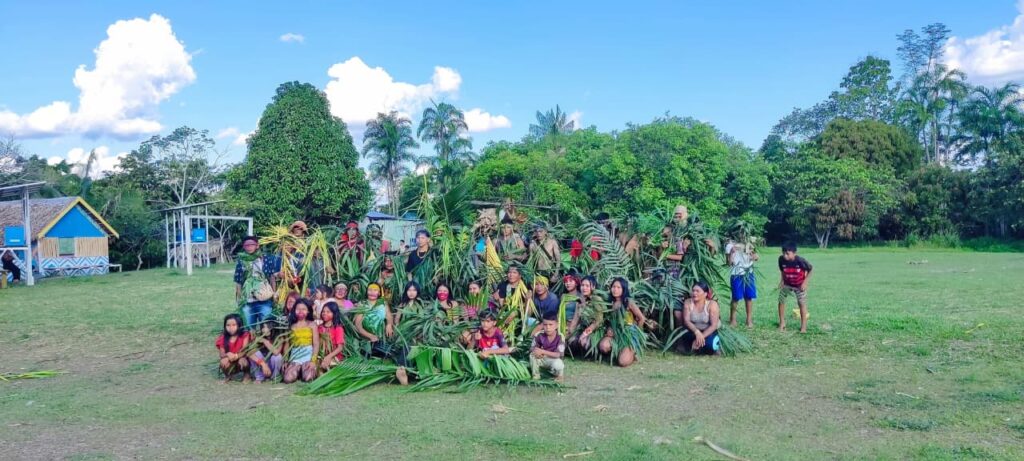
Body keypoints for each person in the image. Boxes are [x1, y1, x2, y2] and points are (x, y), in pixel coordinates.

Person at [353, 283, 409, 385]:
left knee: (405, 347)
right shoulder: (363, 304)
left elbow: (389, 316)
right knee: (392, 351)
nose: (372, 292)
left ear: (379, 292)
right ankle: (401, 370)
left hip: (383, 339)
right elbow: (358, 326)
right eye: (370, 290)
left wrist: (389, 324)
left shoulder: (383, 303)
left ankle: (402, 370)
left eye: (375, 290)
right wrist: (370, 336)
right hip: (368, 342)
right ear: (367, 291)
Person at [598, 278, 648, 367]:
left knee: (623, 362)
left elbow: (641, 319)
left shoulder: (628, 302)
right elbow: (609, 320)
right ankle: (618, 350)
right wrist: (609, 329)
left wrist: (636, 337)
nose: (615, 289)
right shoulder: (610, 302)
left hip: (628, 334)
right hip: (615, 333)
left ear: (623, 289)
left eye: (618, 287)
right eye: (613, 287)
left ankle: (632, 351)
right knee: (603, 346)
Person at [234, 236, 277, 330]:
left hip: (265, 299)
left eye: (251, 245)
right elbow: (238, 281)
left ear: (257, 246)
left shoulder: (266, 259)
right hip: (248, 301)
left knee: (267, 329)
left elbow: (272, 277)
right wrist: (239, 299)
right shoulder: (241, 261)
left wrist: (274, 293)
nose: (249, 247)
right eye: (246, 245)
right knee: (248, 329)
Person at [676, 281, 721, 355]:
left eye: (697, 291)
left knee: (710, 347)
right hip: (693, 330)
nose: (694, 293)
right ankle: (694, 346)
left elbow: (714, 325)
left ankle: (702, 346)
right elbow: (686, 321)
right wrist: (697, 332)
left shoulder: (712, 305)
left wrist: (701, 336)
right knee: (686, 344)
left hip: (708, 331)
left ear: (705, 294)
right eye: (693, 290)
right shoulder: (688, 302)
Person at [778, 243, 813, 333]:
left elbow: (810, 269)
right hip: (787, 284)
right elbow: (782, 270)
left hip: (799, 285)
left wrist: (805, 283)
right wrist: (782, 281)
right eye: (783, 253)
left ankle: (803, 327)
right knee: (781, 300)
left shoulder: (800, 261)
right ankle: (782, 322)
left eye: (787, 253)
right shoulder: (781, 260)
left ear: (794, 253)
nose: (785, 255)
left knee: (801, 303)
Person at [283, 299, 319, 383]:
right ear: (294, 310)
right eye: (298, 309)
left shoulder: (312, 325)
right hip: (295, 355)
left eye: (303, 309)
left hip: (308, 355)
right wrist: (285, 360)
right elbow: (287, 344)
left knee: (308, 378)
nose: (300, 311)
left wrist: (313, 361)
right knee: (287, 379)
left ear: (308, 311)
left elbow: (316, 344)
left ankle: (302, 370)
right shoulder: (291, 326)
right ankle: (298, 369)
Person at [568, 275, 603, 354]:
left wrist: (585, 333)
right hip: (583, 327)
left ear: (593, 287)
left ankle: (592, 353)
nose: (584, 288)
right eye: (582, 285)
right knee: (571, 341)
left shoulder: (597, 300)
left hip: (595, 329)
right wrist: (570, 332)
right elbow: (575, 319)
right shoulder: (580, 300)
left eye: (587, 286)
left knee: (584, 342)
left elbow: (598, 320)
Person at [728, 242, 758, 328]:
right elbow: (729, 263)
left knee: (749, 296)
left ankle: (749, 319)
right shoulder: (730, 245)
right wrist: (731, 253)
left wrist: (753, 255)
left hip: (749, 273)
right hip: (736, 274)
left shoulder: (749, 244)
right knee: (736, 297)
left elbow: (756, 257)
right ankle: (732, 318)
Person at [216, 313, 251, 383]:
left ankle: (247, 375)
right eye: (228, 325)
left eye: (234, 325)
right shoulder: (222, 337)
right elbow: (222, 354)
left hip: (241, 357)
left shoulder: (245, 335)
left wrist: (236, 356)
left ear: (239, 325)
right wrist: (228, 354)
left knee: (243, 361)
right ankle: (228, 375)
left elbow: (245, 350)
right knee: (223, 361)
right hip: (230, 359)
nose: (230, 328)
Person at [530, 314, 566, 382]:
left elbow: (558, 354)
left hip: (553, 359)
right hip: (542, 358)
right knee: (532, 355)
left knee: (558, 365)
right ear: (543, 325)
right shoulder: (539, 335)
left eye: (550, 324)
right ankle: (536, 376)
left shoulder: (560, 337)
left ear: (556, 325)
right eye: (545, 325)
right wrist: (537, 352)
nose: (548, 327)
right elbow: (532, 348)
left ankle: (559, 375)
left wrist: (542, 351)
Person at [318, 302, 345, 372]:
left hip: (334, 356)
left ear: (334, 313)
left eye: (328, 312)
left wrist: (328, 357)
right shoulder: (319, 327)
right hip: (321, 355)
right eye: (323, 311)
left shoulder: (338, 328)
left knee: (323, 365)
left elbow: (340, 347)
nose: (324, 313)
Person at [559, 273, 581, 337]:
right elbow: (559, 312)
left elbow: (579, 317)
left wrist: (571, 327)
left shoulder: (580, 297)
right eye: (566, 281)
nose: (568, 283)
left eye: (570, 281)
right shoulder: (563, 296)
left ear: (576, 283)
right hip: (561, 323)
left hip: (573, 325)